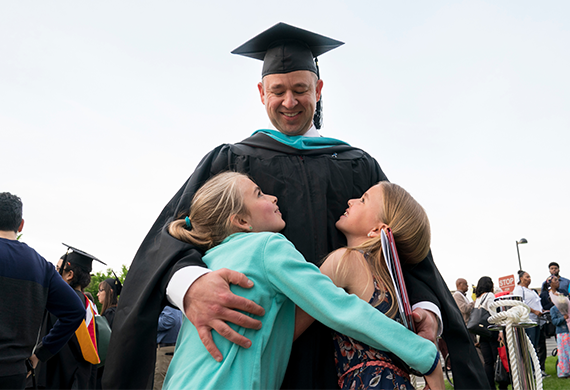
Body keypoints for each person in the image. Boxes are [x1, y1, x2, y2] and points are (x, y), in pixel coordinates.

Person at [104, 22, 486, 390]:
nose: (289, 102)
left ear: (319, 88)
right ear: (261, 92)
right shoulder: (231, 163)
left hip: (349, 359)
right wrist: (191, 285)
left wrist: (427, 312)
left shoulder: (357, 165)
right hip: (254, 357)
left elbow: (405, 244)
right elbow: (172, 234)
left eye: (301, 89)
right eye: (278, 90)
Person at [162, 172, 442, 389]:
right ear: (241, 222)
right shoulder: (268, 247)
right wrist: (424, 355)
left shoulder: (209, 262)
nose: (273, 197)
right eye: (259, 194)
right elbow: (339, 308)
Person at [0, 192, 85, 390]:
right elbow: (76, 311)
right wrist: (40, 355)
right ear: (21, 225)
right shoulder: (41, 266)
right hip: (14, 373)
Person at [34, 246, 104, 389]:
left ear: (69, 274)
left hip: (54, 378)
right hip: (79, 379)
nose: (54, 272)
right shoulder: (88, 305)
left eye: (58, 268)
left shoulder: (60, 304)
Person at [473, 276, 501, 389]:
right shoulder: (489, 296)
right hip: (492, 330)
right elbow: (494, 313)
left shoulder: (478, 299)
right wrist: (500, 331)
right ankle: (502, 382)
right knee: (498, 359)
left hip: (482, 333)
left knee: (488, 362)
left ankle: (490, 386)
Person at [512, 271, 544, 364]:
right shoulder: (519, 289)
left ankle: (535, 368)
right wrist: (534, 311)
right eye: (527, 277)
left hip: (537, 320)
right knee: (530, 346)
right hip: (528, 320)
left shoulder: (531, 291)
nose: (529, 279)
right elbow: (520, 303)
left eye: (530, 277)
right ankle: (530, 368)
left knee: (535, 346)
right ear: (521, 278)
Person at [153, 306, 183, 390]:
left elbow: (170, 320)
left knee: (159, 384)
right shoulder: (175, 304)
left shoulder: (168, 303)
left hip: (165, 350)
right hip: (172, 348)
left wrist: (148, 322)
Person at [546, 276, 570, 378]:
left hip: (567, 329)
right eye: (555, 280)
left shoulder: (563, 292)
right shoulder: (553, 309)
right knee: (564, 353)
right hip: (562, 332)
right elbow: (555, 321)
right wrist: (563, 318)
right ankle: (564, 372)